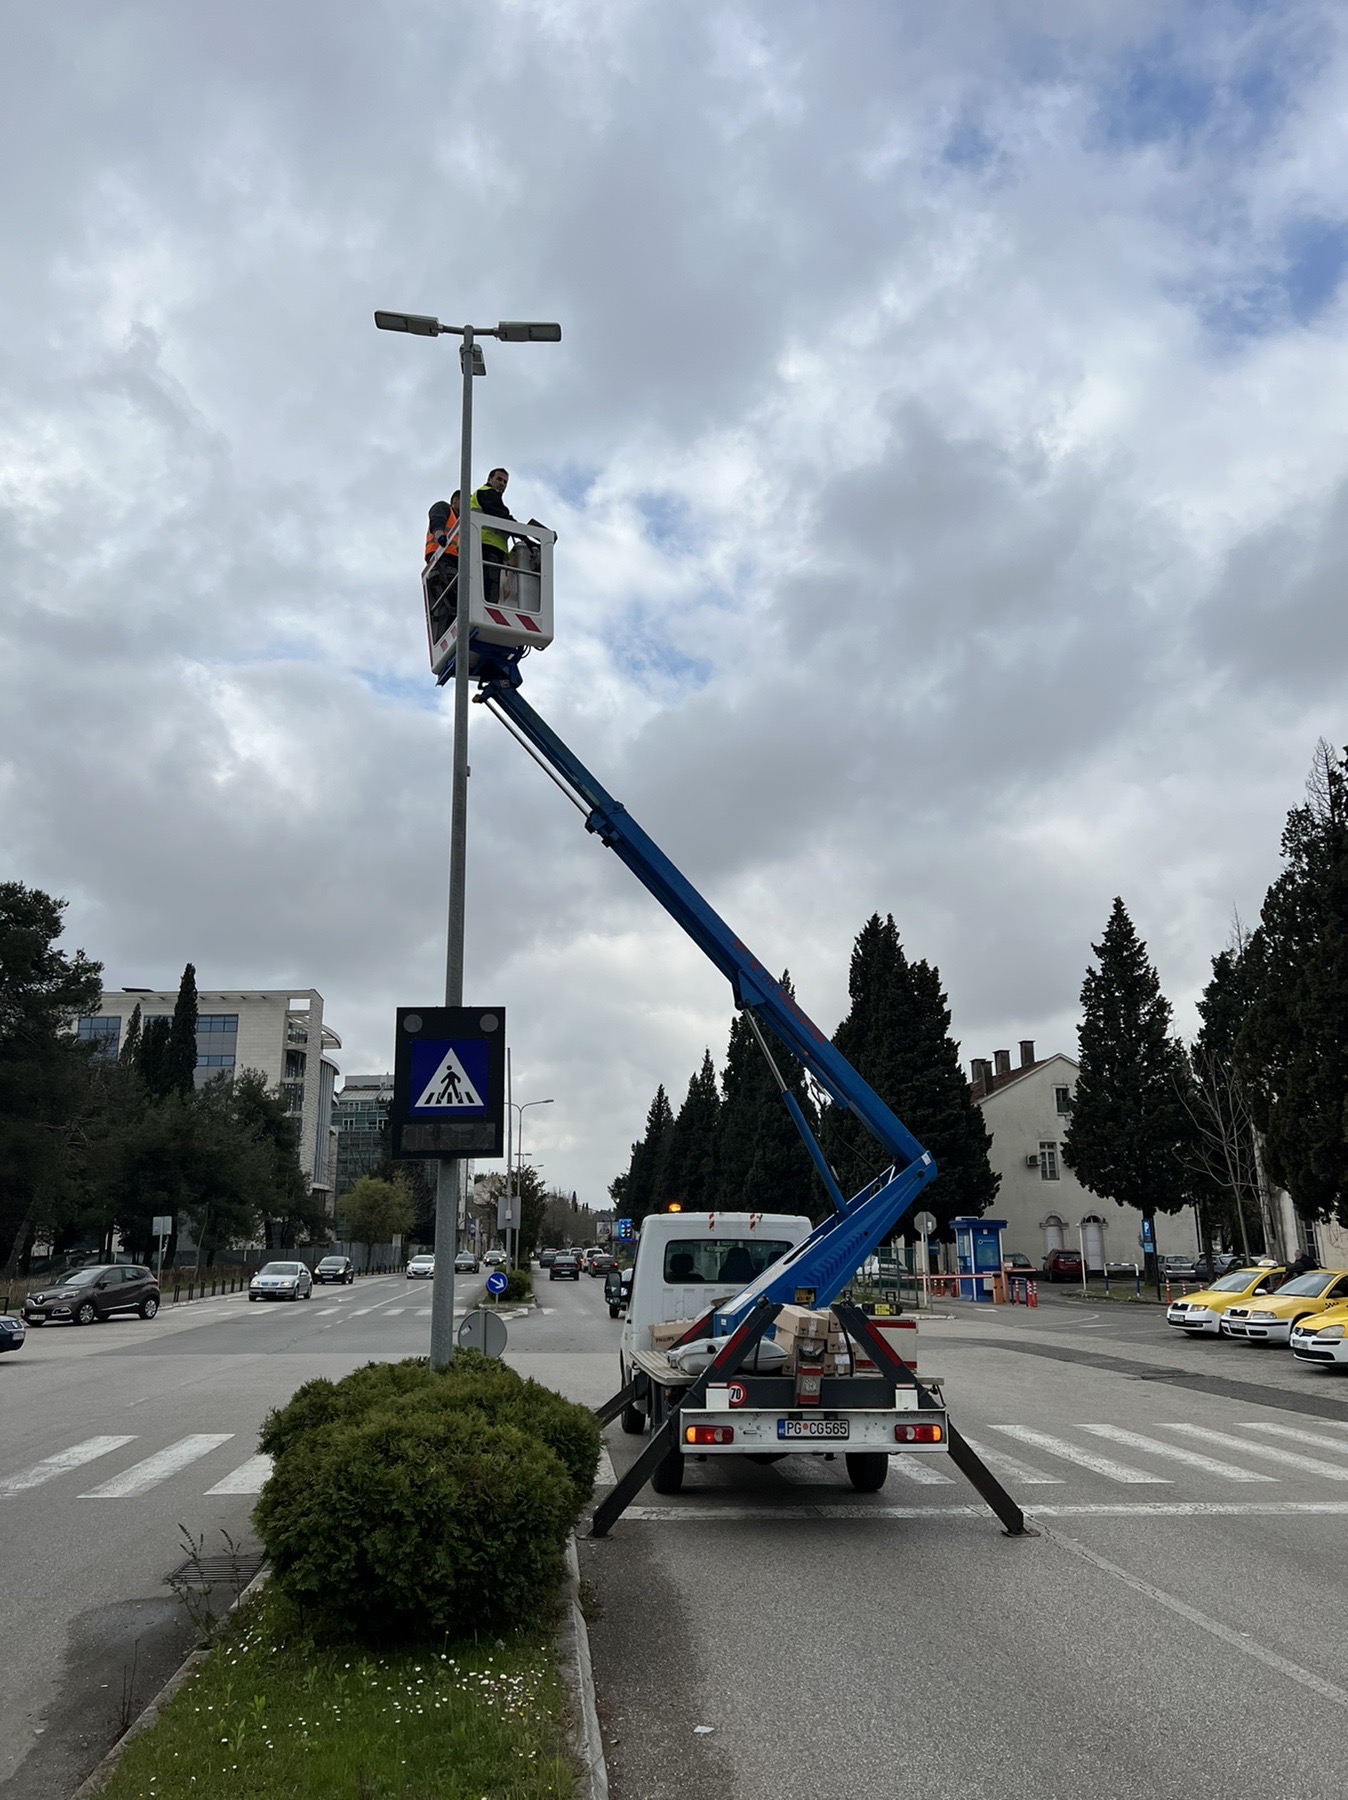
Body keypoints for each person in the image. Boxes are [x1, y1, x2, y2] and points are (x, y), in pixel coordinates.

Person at [472, 468, 517, 605]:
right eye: (499, 479)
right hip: (487, 546)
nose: (502, 483)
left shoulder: (479, 496)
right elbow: (502, 516)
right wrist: (526, 537)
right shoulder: (488, 493)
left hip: (479, 546)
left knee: (478, 586)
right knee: (489, 589)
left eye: (505, 482)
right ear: (489, 479)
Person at [424, 493, 459, 636]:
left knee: (451, 605)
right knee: (450, 603)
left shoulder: (460, 523)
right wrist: (440, 536)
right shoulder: (444, 507)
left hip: (452, 564)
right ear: (456, 501)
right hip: (441, 562)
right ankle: (445, 636)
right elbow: (436, 520)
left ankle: (448, 636)